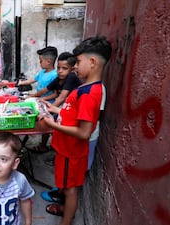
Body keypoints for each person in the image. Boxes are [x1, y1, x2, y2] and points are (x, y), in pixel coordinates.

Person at [39, 36, 112, 225]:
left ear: (93, 62)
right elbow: (72, 112)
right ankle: (65, 209)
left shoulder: (90, 93)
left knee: (71, 189)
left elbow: (84, 133)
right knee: (66, 185)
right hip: (66, 149)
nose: (75, 67)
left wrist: (52, 124)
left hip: (72, 152)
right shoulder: (84, 88)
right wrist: (53, 109)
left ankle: (66, 220)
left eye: (78, 62)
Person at [30, 52, 82, 153]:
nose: (60, 71)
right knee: (51, 124)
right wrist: (30, 96)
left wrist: (45, 112)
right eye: (58, 68)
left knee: (51, 124)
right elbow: (45, 89)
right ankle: (46, 147)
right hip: (65, 108)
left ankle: (56, 150)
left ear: (72, 69)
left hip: (74, 111)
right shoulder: (59, 78)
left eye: (64, 68)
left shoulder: (71, 77)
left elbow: (61, 98)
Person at [17, 46, 58, 153]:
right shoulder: (43, 72)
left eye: (41, 61)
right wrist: (21, 83)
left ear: (48, 62)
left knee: (46, 127)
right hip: (38, 100)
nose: (40, 63)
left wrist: (37, 97)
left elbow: (54, 94)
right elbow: (33, 80)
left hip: (48, 105)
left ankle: (44, 146)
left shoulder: (54, 75)